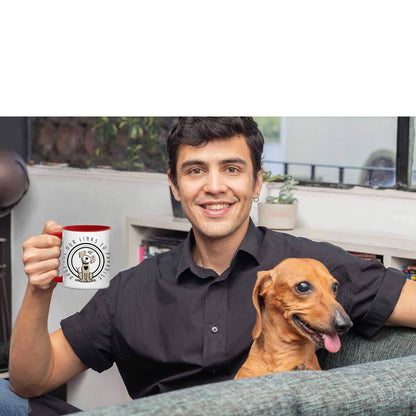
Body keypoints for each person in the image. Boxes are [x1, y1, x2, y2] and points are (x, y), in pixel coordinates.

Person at [6, 117, 416, 415]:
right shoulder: (131, 288)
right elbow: (31, 380)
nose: (214, 186)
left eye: (232, 169)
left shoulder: (310, 269)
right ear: (174, 184)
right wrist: (40, 290)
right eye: (195, 170)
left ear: (257, 183)